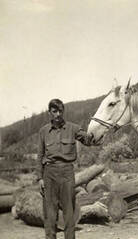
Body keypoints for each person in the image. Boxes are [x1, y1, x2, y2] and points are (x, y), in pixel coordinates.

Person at [36, 99, 93, 239]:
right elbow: (39, 156)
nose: (58, 114)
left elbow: (88, 140)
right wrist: (40, 178)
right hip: (49, 174)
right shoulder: (43, 131)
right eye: (54, 111)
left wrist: (95, 133)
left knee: (69, 212)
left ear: (63, 111)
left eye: (60, 111)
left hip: (67, 172)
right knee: (50, 214)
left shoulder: (73, 128)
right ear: (49, 112)